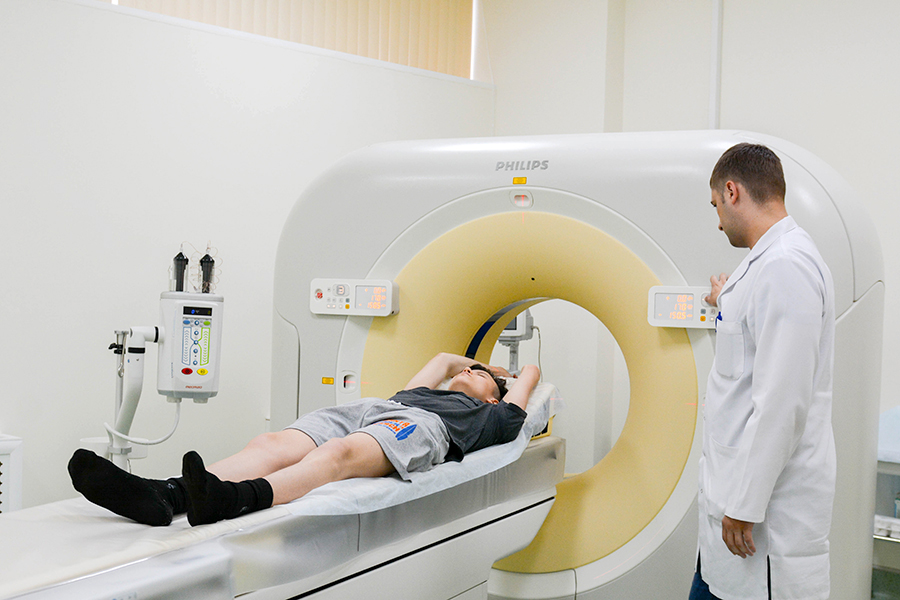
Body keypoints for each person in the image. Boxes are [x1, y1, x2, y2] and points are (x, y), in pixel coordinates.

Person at [68, 352, 540, 527]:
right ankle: (163, 495)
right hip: (377, 408)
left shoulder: (490, 416)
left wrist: (506, 376)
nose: (470, 370)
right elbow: (443, 359)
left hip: (424, 429)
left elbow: (532, 377)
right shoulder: (420, 388)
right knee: (272, 443)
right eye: (471, 366)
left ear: (495, 396)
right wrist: (476, 366)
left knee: (339, 453)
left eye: (482, 375)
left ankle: (233, 499)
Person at [690, 143, 836, 600]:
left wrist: (745, 504)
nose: (718, 221)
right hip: (731, 515)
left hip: (762, 525)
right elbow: (754, 345)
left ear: (732, 191)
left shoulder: (785, 266)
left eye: (715, 204)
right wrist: (724, 302)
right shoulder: (765, 265)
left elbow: (782, 402)